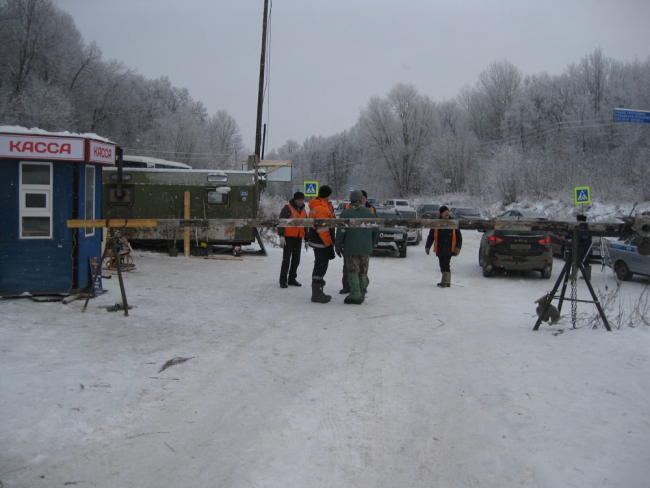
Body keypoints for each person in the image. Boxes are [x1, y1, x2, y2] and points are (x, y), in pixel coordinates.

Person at [335, 190, 378, 304]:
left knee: (353, 271)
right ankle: (362, 292)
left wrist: (338, 247)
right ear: (361, 199)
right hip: (365, 248)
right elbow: (375, 230)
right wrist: (371, 243)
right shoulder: (370, 213)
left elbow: (341, 232)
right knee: (363, 271)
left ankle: (355, 295)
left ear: (351, 200)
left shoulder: (346, 213)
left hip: (351, 248)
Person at [308, 185, 336, 303]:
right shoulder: (320, 208)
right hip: (321, 241)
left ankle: (318, 290)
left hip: (319, 240)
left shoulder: (323, 205)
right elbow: (322, 229)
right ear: (327, 195)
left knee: (321, 264)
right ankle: (316, 293)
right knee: (320, 265)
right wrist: (329, 244)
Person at [425, 205, 462, 287]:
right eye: (445, 212)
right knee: (442, 265)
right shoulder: (437, 223)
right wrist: (428, 246)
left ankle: (446, 282)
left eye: (448, 212)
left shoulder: (453, 223)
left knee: (445, 264)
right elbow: (431, 236)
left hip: (449, 248)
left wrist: (458, 247)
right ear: (441, 214)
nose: (447, 213)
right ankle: (445, 281)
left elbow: (459, 237)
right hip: (440, 248)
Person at [277, 191, 308, 288]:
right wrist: (281, 235)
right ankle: (283, 280)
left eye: (302, 200)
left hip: (298, 238)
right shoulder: (287, 208)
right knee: (286, 260)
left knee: (296, 260)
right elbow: (281, 221)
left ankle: (292, 278)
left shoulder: (304, 210)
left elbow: (306, 225)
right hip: (288, 237)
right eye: (299, 200)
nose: (300, 201)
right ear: (295, 200)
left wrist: (307, 239)